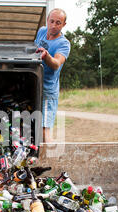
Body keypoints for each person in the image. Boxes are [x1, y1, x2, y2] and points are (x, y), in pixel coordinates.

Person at [34, 8, 70, 142]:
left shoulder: (63, 44)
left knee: (44, 130)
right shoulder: (42, 31)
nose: (54, 26)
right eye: (52, 21)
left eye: (58, 23)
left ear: (64, 25)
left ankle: (52, 160)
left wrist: (46, 56)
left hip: (47, 91)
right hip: (34, 85)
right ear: (47, 21)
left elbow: (56, 64)